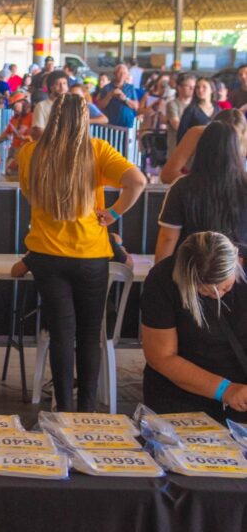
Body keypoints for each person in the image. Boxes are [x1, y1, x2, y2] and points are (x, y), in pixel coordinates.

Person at [17, 93, 146, 412]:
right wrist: (113, 213)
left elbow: (29, 195)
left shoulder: (31, 152)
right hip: (91, 255)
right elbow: (137, 181)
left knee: (61, 334)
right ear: (85, 120)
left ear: (53, 118)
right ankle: (86, 410)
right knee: (89, 335)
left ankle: (63, 409)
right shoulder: (97, 150)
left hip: (46, 255)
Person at [141, 231, 247, 422]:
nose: (217, 295)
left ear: (236, 264)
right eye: (205, 292)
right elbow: (161, 356)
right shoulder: (163, 279)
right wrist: (225, 390)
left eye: (224, 288)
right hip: (181, 390)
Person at [154, 121, 247, 262]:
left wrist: (159, 272)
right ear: (236, 150)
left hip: (191, 268)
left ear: (201, 148)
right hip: (236, 268)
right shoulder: (244, 186)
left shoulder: (182, 186)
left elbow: (168, 237)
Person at [160, 108, 247, 184]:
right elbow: (168, 174)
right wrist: (203, 185)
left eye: (234, 138)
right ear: (212, 130)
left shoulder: (245, 140)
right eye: (222, 136)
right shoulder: (198, 134)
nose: (228, 142)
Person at [96, 63, 143, 128]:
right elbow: (100, 106)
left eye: (124, 73)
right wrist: (110, 95)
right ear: (115, 74)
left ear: (127, 75)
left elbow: (136, 106)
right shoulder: (106, 88)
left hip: (127, 125)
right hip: (110, 125)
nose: (122, 75)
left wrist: (125, 99)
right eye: (119, 72)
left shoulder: (130, 88)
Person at [176, 76, 217, 142]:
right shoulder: (191, 110)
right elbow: (181, 133)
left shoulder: (218, 109)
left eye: (204, 87)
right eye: (198, 87)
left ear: (212, 90)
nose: (200, 90)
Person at [164, 72, 196, 153]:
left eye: (194, 87)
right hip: (177, 148)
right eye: (188, 86)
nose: (192, 89)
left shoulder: (196, 105)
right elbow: (177, 126)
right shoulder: (172, 104)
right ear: (179, 87)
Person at [30, 70, 68, 138]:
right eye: (58, 84)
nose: (62, 87)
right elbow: (39, 131)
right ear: (51, 87)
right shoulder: (41, 106)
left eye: (64, 83)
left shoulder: (72, 105)